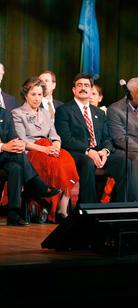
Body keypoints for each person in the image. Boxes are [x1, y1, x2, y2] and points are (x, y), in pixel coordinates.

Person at [11, 77, 79, 222]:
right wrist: (45, 150)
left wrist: (56, 146)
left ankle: (62, 206)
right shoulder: (17, 113)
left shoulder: (46, 113)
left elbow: (55, 135)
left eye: (40, 95)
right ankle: (49, 205)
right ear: (25, 95)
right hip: (32, 150)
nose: (37, 98)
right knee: (54, 164)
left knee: (67, 160)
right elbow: (22, 141)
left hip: (48, 148)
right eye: (33, 94)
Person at [55, 72, 113, 204]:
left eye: (86, 85)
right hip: (76, 152)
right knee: (88, 162)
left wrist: (105, 151)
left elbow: (106, 137)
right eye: (79, 85)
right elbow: (66, 139)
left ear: (91, 89)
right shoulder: (64, 110)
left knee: (123, 162)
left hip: (98, 152)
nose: (83, 88)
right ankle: (87, 207)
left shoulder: (99, 112)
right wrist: (88, 151)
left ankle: (121, 208)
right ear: (73, 90)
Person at [0, 107, 61, 226]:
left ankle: (13, 215)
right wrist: (2, 147)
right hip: (3, 152)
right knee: (17, 156)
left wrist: (17, 145)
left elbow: (13, 138)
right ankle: (37, 184)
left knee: (16, 167)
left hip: (6, 157)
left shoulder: (4, 113)